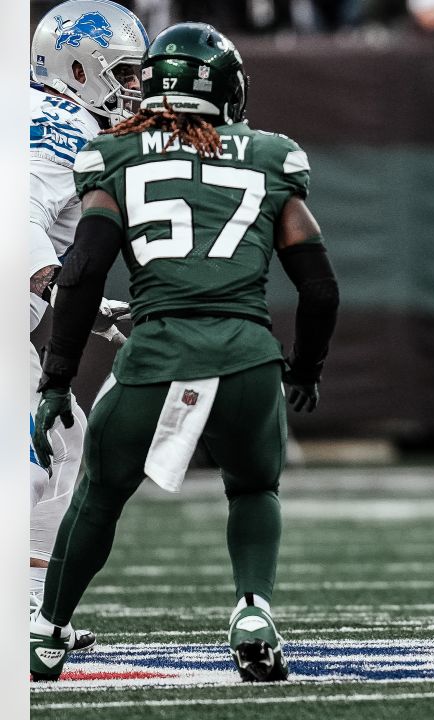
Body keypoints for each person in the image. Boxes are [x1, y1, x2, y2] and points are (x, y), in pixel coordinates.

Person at [29, 21, 340, 682]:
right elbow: (319, 289)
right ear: (227, 89)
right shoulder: (270, 155)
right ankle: (253, 611)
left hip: (156, 355)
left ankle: (48, 632)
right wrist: (305, 368)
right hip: (248, 355)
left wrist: (57, 377)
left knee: (99, 494)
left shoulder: (115, 156)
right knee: (253, 487)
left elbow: (82, 271)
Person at [28, 0, 151, 654]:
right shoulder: (57, 119)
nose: (136, 88)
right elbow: (18, 219)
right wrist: (55, 282)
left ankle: (30, 608)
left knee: (61, 435)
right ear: (79, 67)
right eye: (125, 73)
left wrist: (78, 300)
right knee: (38, 444)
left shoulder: (56, 116)